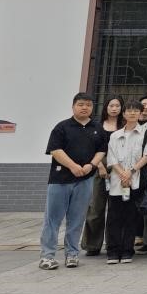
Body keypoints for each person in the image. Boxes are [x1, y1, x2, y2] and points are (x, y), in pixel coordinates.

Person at [39, 93, 107, 270]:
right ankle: (47, 256)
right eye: (81, 104)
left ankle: (72, 254)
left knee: (77, 219)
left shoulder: (97, 128)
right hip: (60, 180)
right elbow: (55, 150)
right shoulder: (62, 127)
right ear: (73, 106)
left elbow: (101, 150)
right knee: (52, 219)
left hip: (84, 180)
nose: (85, 108)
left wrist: (91, 165)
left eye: (88, 105)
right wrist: (73, 166)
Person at [103, 99, 147, 264]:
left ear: (140, 113)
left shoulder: (146, 133)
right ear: (124, 114)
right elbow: (111, 158)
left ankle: (127, 251)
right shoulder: (115, 135)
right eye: (129, 110)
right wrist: (122, 174)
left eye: (136, 110)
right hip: (117, 181)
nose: (132, 113)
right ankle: (112, 251)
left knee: (131, 217)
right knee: (114, 217)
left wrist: (130, 172)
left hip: (134, 181)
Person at [81, 96, 123, 257]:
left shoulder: (124, 125)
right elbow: (91, 147)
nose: (114, 108)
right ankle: (92, 245)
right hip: (99, 167)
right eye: (111, 105)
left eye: (117, 105)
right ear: (106, 107)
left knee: (116, 209)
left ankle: (113, 244)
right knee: (96, 208)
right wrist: (99, 165)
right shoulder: (97, 126)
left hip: (119, 169)